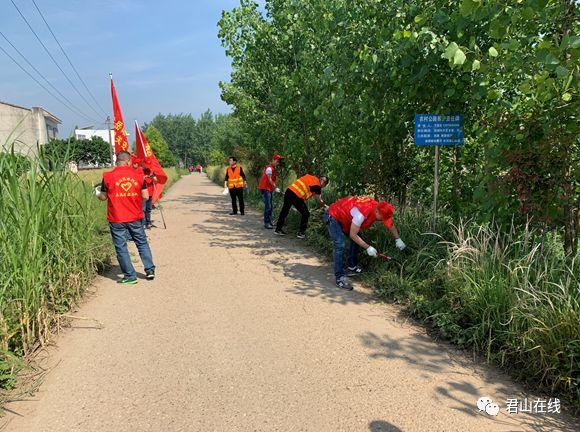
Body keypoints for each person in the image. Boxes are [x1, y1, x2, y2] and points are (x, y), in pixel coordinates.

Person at [95, 150, 156, 284]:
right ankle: (150, 270)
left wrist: (97, 194)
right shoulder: (139, 175)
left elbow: (103, 197)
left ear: (117, 161)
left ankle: (130, 276)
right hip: (135, 216)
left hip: (116, 217)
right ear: (129, 161)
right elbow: (146, 196)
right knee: (141, 242)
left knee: (121, 246)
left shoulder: (108, 176)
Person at [324, 196, 406, 290]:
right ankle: (340, 278)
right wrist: (368, 247)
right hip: (334, 216)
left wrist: (398, 239)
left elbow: (390, 224)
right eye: (382, 218)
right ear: (377, 212)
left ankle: (352, 266)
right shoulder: (361, 213)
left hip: (346, 219)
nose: (382, 220)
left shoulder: (381, 208)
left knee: (357, 241)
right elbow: (353, 235)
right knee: (339, 245)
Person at [275, 174, 329, 238]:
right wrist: (325, 206)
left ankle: (278, 229)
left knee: (284, 211)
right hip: (296, 196)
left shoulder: (310, 177)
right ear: (324, 183)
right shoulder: (318, 186)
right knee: (306, 214)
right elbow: (319, 199)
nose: (322, 186)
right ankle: (301, 233)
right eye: (324, 185)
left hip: (289, 191)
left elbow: (305, 187)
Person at [258, 154, 283, 229]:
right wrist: (275, 188)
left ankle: (269, 221)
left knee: (270, 206)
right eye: (277, 160)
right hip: (265, 188)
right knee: (268, 206)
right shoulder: (269, 168)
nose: (278, 162)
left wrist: (274, 188)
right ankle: (266, 223)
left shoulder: (273, 168)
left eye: (279, 161)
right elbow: (270, 179)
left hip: (268, 189)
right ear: (273, 160)